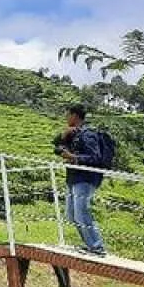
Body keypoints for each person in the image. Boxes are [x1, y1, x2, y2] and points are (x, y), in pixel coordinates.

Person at [55, 104, 108, 257]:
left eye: (67, 115)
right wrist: (64, 136)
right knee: (71, 215)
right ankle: (91, 246)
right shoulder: (73, 134)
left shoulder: (88, 134)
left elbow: (95, 157)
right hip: (73, 178)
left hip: (84, 178)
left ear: (75, 116)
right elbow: (56, 148)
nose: (66, 118)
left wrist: (74, 158)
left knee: (81, 213)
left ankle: (97, 248)